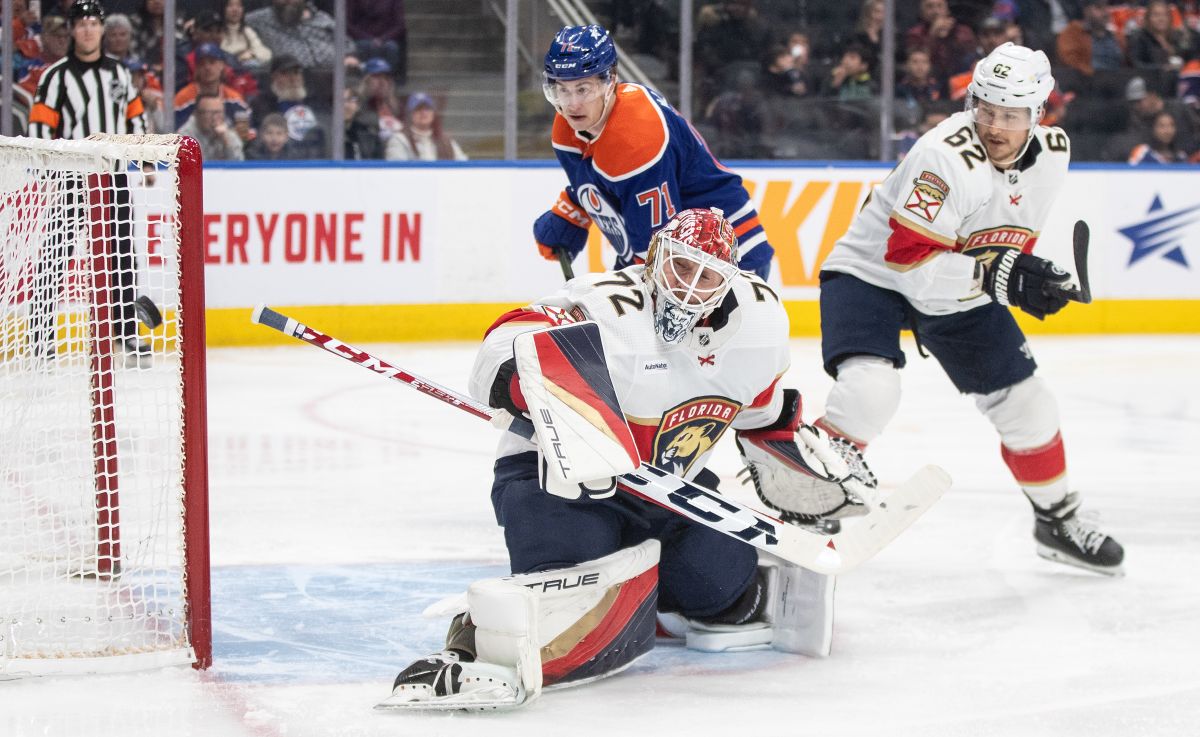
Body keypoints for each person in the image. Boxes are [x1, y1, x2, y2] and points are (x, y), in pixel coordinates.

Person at [385, 208, 867, 710]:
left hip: (670, 483)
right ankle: (476, 636)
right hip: (557, 479)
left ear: (730, 284)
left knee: (725, 593)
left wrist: (791, 457)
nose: (688, 287)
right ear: (656, 257)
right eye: (680, 267)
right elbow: (508, 337)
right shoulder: (608, 305)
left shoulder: (759, 323)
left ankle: (649, 597)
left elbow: (761, 410)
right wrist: (532, 387)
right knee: (569, 590)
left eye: (707, 278)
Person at [813, 42, 1125, 576]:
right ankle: (804, 498)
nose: (996, 126)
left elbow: (1008, 236)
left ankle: (1056, 519)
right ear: (972, 103)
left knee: (1030, 405)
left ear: (1038, 115)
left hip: (955, 288)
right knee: (869, 393)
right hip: (873, 276)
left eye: (1011, 115)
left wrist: (1028, 277)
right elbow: (906, 257)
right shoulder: (944, 155)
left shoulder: (1053, 152)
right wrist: (1002, 276)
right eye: (987, 109)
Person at [534, 24, 774, 278]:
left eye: (583, 89)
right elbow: (601, 178)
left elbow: (657, 253)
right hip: (675, 254)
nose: (572, 104)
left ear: (610, 80)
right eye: (562, 90)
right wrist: (573, 209)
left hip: (725, 255)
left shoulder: (637, 135)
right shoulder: (567, 128)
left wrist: (620, 288)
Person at [29, 0, 150, 358]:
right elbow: (39, 128)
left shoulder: (119, 73)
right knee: (56, 254)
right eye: (81, 24)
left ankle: (125, 331)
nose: (87, 30)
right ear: (72, 30)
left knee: (122, 255)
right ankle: (41, 335)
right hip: (72, 178)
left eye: (93, 23)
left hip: (112, 178)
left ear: (100, 29)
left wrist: (142, 157)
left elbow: (136, 119)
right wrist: (48, 169)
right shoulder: (56, 76)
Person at [384, 92, 467, 161]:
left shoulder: (445, 141)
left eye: (427, 109)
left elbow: (463, 164)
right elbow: (396, 172)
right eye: (418, 109)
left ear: (433, 113)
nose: (423, 112)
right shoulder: (399, 139)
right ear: (410, 115)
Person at [177, 92, 245, 161]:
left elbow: (239, 163)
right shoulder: (185, 136)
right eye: (210, 113)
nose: (215, 117)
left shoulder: (227, 132)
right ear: (197, 114)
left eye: (218, 112)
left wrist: (225, 141)